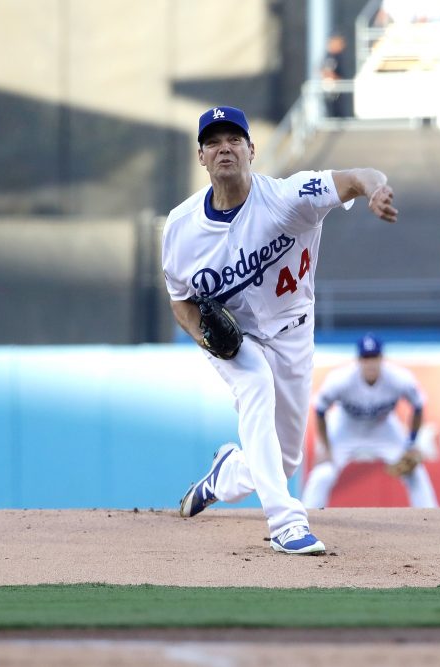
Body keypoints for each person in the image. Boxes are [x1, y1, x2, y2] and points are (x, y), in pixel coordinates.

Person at [164, 105, 397, 555]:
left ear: (252, 149)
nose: (224, 148)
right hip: (235, 339)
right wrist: (207, 339)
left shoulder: (290, 197)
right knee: (255, 385)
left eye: (234, 139)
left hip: (293, 329)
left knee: (285, 456)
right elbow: (180, 302)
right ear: (201, 157)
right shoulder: (180, 227)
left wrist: (375, 189)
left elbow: (355, 175)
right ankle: (287, 522)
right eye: (213, 142)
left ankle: (227, 474)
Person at [301, 333, 438, 509]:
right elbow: (320, 409)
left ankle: (433, 518)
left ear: (382, 358)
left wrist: (411, 443)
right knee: (323, 472)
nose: (370, 363)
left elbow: (418, 405)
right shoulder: (341, 379)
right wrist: (326, 448)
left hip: (383, 428)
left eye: (374, 357)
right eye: (366, 358)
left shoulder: (399, 378)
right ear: (359, 360)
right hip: (346, 428)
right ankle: (306, 518)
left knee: (415, 472)